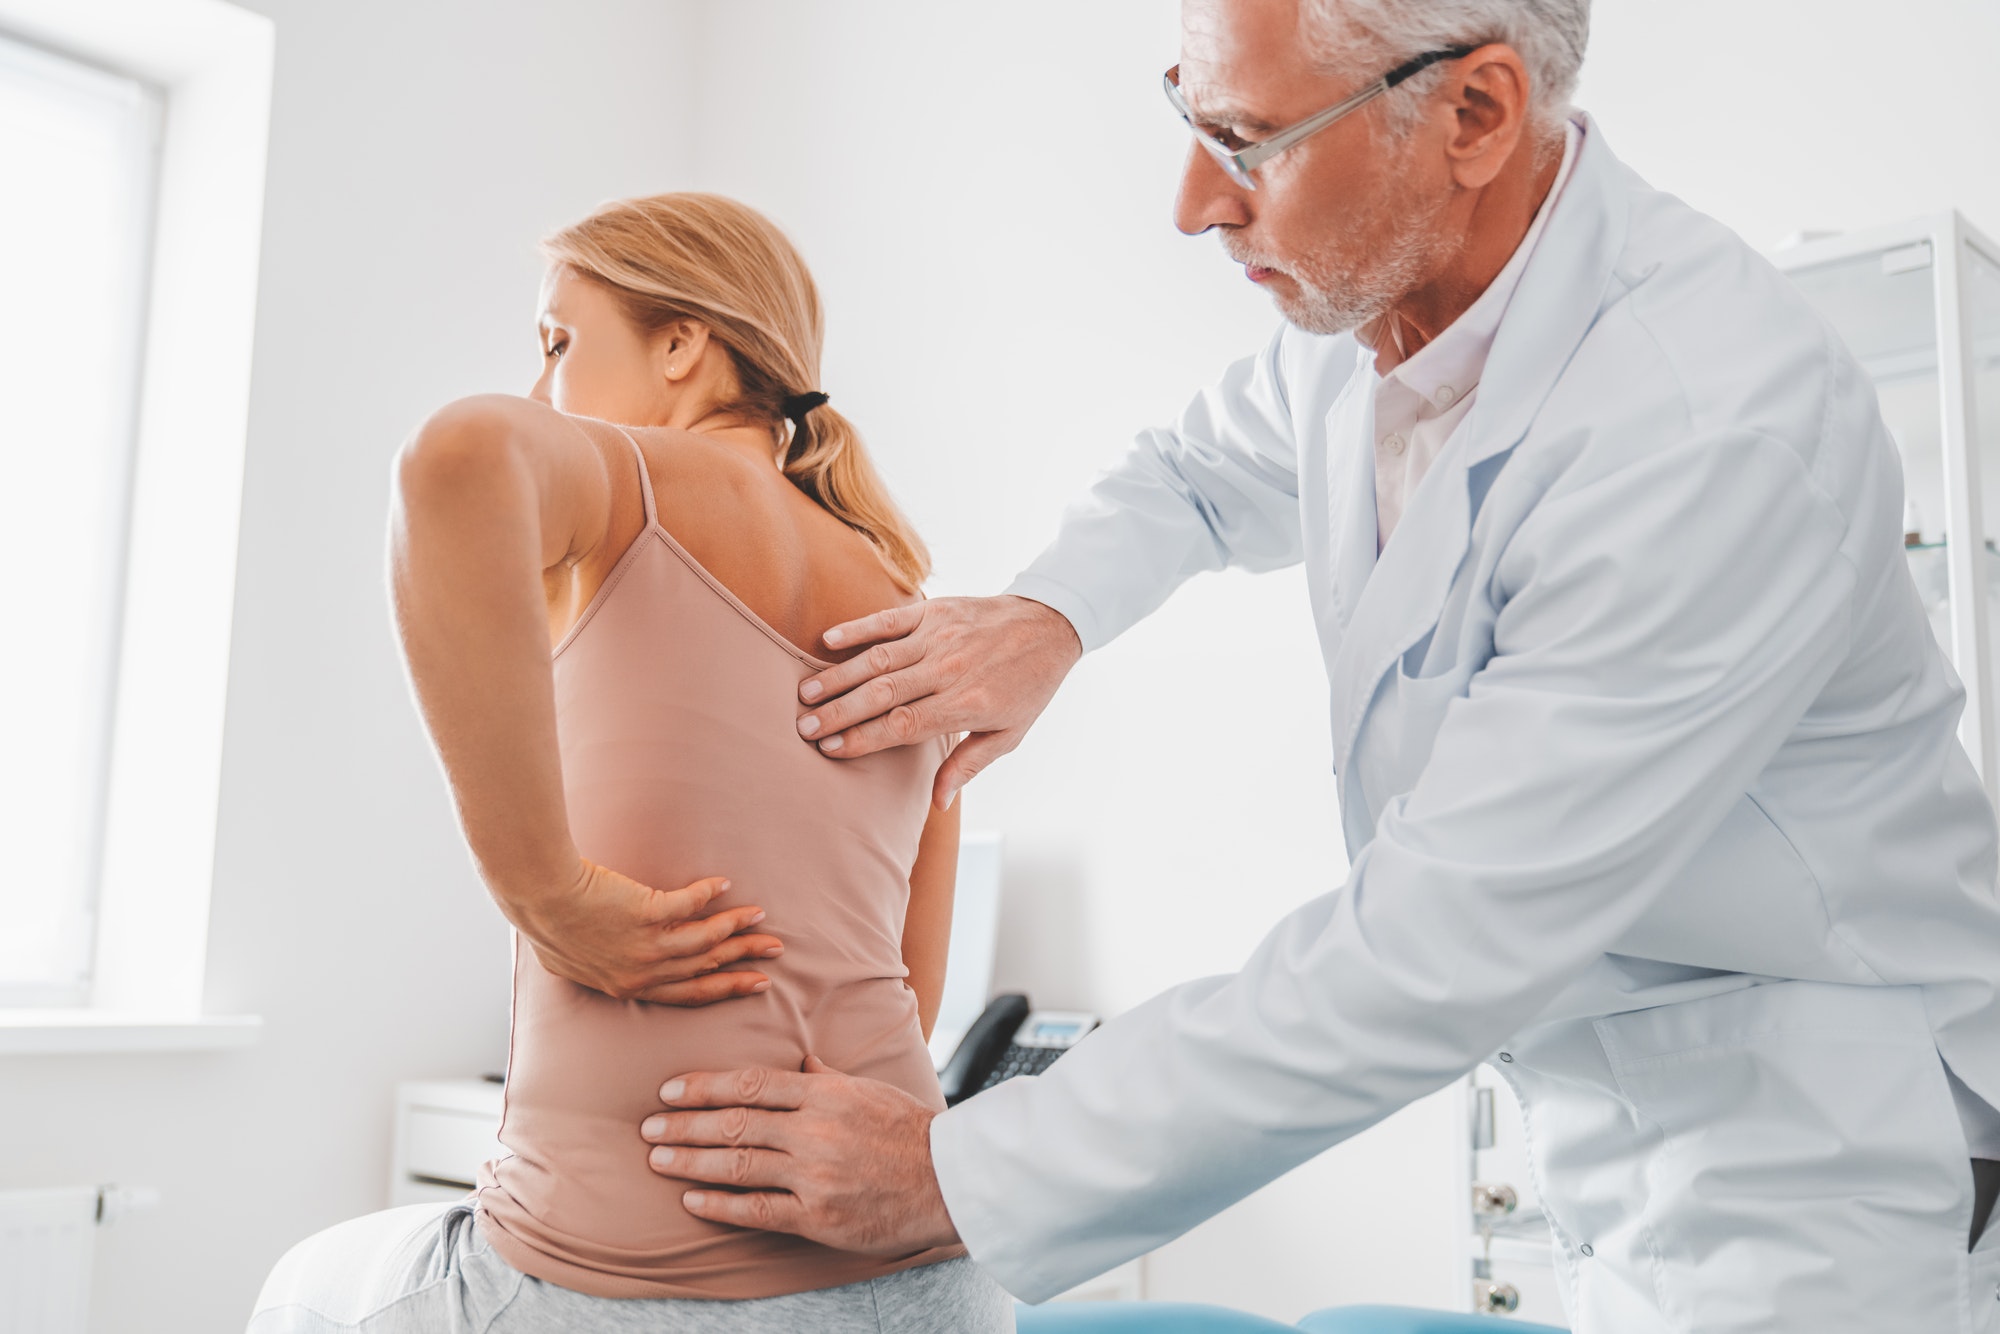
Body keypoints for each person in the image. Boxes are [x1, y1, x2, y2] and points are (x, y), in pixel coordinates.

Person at [632, 2, 2000, 1330]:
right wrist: (1049, 616)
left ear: (1473, 113)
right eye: (1188, 111)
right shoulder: (1391, 323)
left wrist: (951, 1172)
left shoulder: (1710, 425)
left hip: (1832, 1166)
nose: (1192, 202)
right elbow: (1190, 475)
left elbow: (1434, 943)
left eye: (1246, 136)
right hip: (1627, 1127)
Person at [247, 193, 1013, 1333]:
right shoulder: (904, 610)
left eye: (558, 340)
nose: (542, 382)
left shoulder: (637, 486)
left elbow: (453, 454)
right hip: (928, 1288)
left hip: (607, 1292)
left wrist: (544, 891)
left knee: (302, 1282)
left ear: (679, 345)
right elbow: (913, 982)